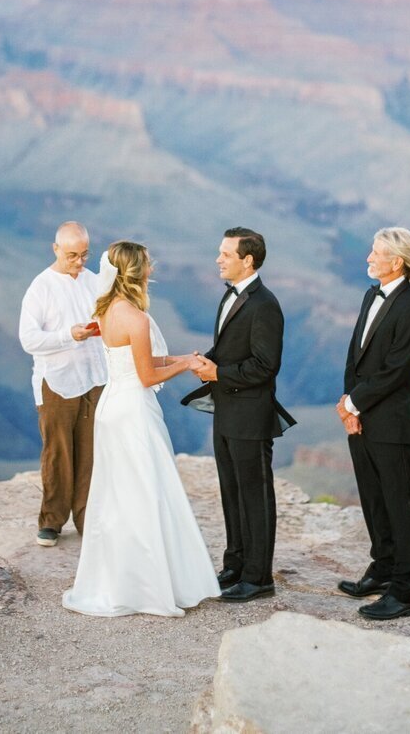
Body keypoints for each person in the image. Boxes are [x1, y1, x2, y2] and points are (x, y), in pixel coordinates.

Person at [62, 241, 220, 617]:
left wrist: (183, 357)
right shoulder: (137, 317)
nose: (153, 269)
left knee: (118, 494)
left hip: (111, 407)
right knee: (147, 490)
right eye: (149, 264)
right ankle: (150, 586)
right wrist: (185, 367)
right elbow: (148, 375)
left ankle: (120, 578)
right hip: (134, 410)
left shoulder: (106, 311)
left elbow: (137, 360)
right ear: (136, 272)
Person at [336, 227, 410, 620]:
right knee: (372, 499)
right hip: (363, 419)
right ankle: (383, 568)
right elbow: (357, 356)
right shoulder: (372, 295)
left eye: (375, 253)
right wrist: (350, 409)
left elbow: (397, 372)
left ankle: (405, 591)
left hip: (392, 425)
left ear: (396, 262)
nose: (368, 259)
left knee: (399, 506)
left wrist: (354, 401)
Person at [182, 228, 294, 602]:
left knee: (256, 495)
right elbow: (231, 349)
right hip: (227, 413)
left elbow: (266, 366)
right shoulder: (229, 296)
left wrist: (219, 374)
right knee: (231, 491)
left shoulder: (265, 304)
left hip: (250, 416)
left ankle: (259, 577)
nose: (218, 259)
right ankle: (236, 563)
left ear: (248, 260)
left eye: (226, 254)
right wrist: (209, 360)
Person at [19, 221, 107, 547]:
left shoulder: (94, 281)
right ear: (55, 249)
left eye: (84, 255)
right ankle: (52, 520)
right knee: (57, 452)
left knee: (90, 452)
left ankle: (86, 517)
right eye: (72, 255)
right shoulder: (40, 288)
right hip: (56, 381)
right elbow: (28, 339)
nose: (79, 262)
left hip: (94, 378)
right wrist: (68, 335)